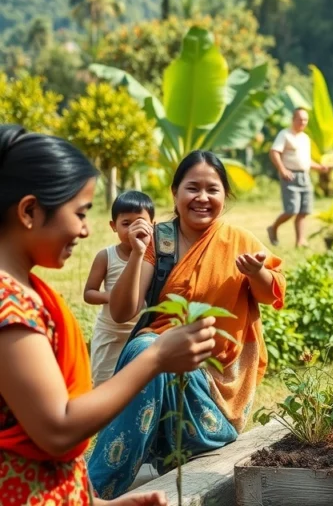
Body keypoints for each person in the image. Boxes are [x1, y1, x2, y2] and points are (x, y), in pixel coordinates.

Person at [0, 124, 218, 506]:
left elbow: (33, 449)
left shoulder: (28, 293)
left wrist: (99, 503)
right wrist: (156, 357)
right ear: (30, 210)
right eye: (80, 213)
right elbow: (57, 430)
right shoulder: (9, 308)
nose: (84, 230)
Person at [88, 151, 286, 498]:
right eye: (192, 188)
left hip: (215, 394)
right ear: (175, 193)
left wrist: (257, 273)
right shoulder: (159, 240)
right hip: (159, 369)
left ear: (225, 196)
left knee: (152, 351)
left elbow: (272, 294)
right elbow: (122, 312)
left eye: (213, 189)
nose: (202, 198)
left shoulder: (239, 240)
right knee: (150, 349)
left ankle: (94, 487)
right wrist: (136, 253)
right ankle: (101, 484)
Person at [84, 190, 156, 386]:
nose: (133, 229)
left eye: (139, 223)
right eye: (126, 224)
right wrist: (115, 297)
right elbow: (89, 293)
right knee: (105, 382)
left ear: (153, 225)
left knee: (136, 386)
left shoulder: (156, 257)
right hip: (111, 333)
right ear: (113, 226)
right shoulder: (106, 256)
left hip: (141, 333)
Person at [266, 107, 328, 247]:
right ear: (293, 119)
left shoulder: (305, 138)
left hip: (304, 176)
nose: (302, 122)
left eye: (305, 120)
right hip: (290, 176)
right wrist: (282, 169)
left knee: (304, 211)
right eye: (299, 119)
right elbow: (274, 152)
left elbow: (306, 160)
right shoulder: (285, 134)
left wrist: (320, 167)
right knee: (291, 210)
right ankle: (273, 227)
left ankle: (300, 240)